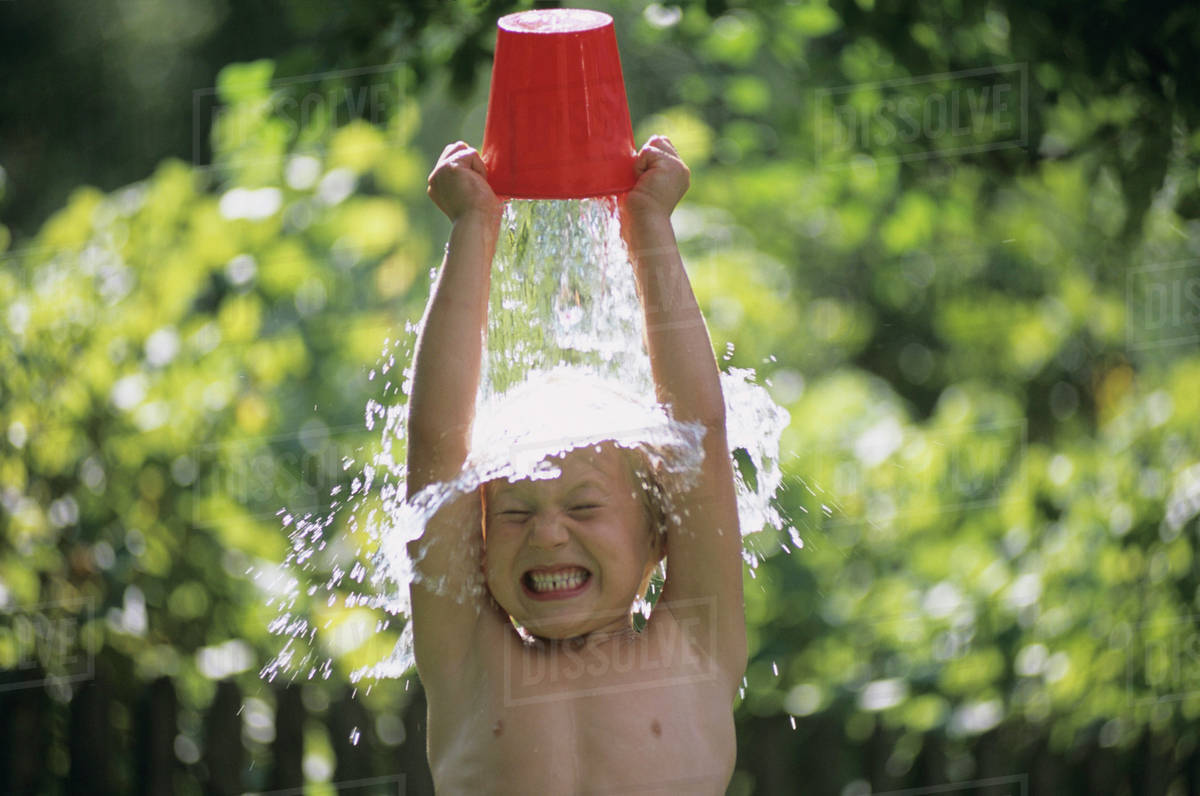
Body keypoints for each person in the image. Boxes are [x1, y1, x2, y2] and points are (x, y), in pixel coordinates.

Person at [406, 135, 745, 794]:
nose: (548, 533)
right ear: (477, 544)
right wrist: (474, 226)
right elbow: (437, 446)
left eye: (584, 506)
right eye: (512, 513)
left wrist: (648, 224)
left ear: (658, 536)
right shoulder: (469, 663)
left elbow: (698, 430)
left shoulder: (694, 648)